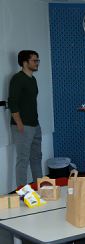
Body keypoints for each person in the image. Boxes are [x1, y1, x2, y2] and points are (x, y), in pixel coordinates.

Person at [8, 50, 42, 187]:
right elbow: (12, 102)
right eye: (34, 60)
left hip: (35, 125)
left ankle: (39, 187)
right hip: (23, 126)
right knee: (23, 160)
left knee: (36, 157)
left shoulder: (32, 79)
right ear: (24, 62)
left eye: (38, 60)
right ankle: (22, 192)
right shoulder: (17, 78)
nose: (37, 63)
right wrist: (19, 124)